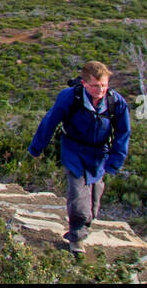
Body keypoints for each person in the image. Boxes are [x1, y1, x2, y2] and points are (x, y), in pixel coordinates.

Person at [28, 61, 130, 255]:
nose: (99, 90)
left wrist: (115, 161)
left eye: (103, 85)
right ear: (84, 83)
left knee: (94, 197)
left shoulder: (116, 102)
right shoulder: (70, 98)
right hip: (73, 149)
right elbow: (49, 122)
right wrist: (36, 147)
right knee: (78, 194)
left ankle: (85, 226)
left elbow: (123, 133)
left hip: (99, 153)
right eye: (94, 86)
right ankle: (77, 237)